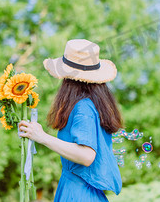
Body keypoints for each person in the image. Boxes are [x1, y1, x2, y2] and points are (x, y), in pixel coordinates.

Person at [18, 39, 123, 201]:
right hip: (80, 190)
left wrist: (42, 136)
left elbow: (87, 156)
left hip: (78, 193)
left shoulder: (83, 108)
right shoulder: (90, 106)